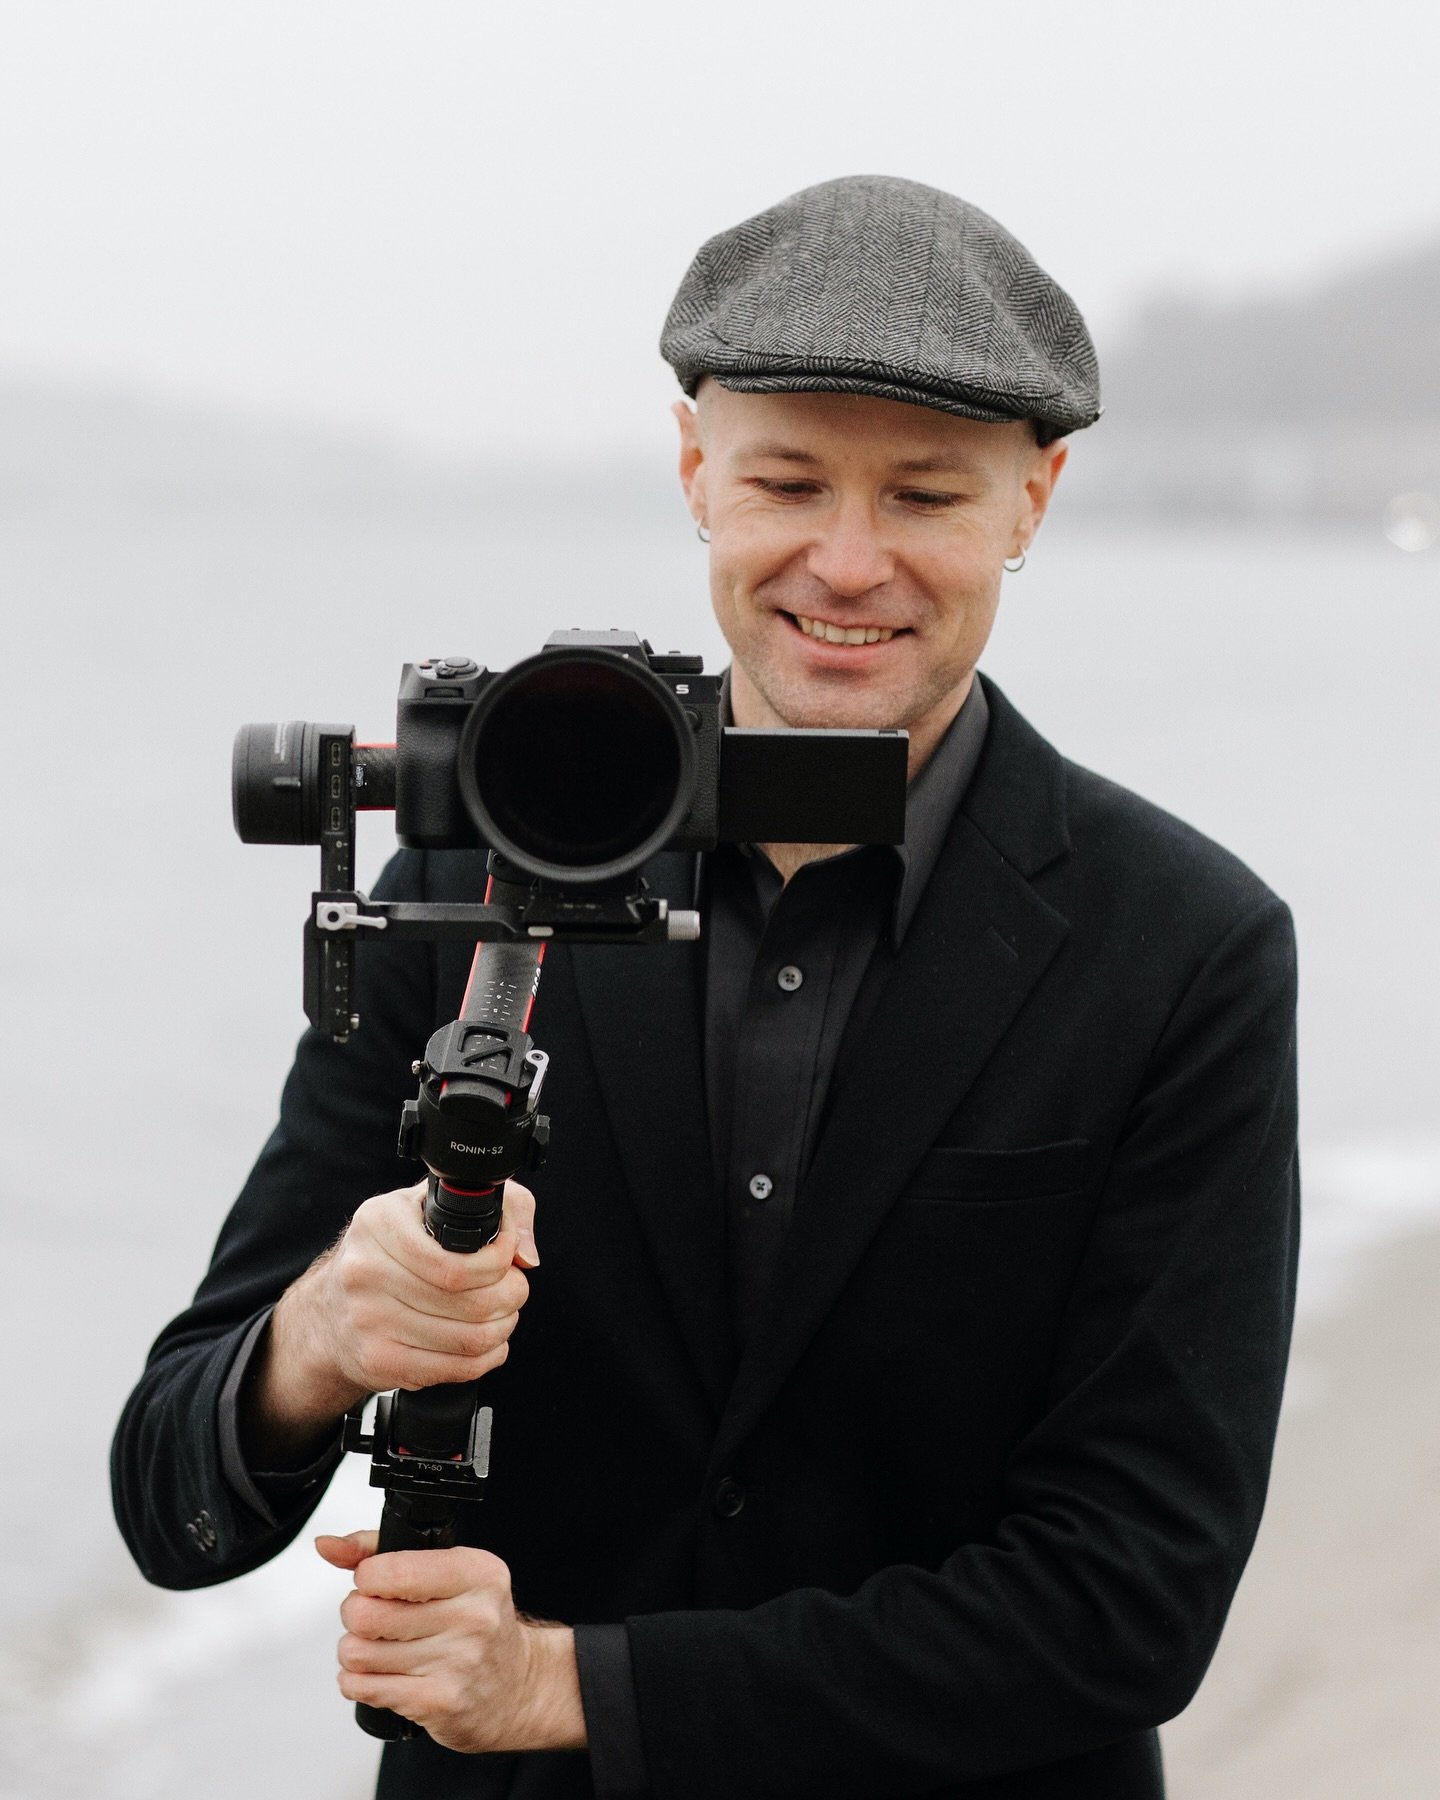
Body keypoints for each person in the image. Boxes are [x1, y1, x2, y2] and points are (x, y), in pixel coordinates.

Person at [112, 174, 1299, 1800]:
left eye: (926, 496)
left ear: (1035, 501)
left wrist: (574, 1688)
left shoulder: (1187, 946)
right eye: (788, 481)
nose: (849, 562)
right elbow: (167, 1496)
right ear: (694, 470)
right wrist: (322, 1335)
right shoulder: (469, 875)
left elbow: (1132, 1600)